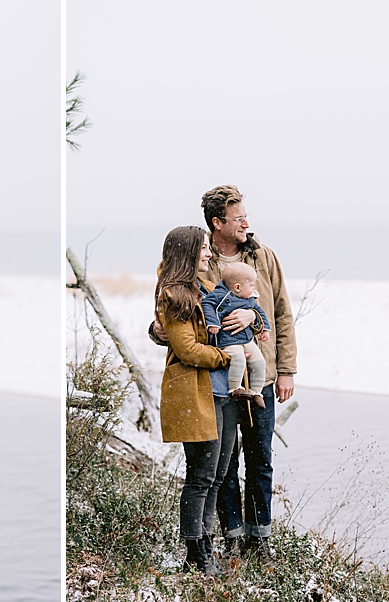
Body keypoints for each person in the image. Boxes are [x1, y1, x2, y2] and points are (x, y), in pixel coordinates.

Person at [198, 185, 297, 561]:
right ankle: (232, 536)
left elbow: (283, 313)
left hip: (262, 377)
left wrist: (286, 369)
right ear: (217, 223)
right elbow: (179, 311)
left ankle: (261, 539)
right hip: (220, 381)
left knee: (260, 460)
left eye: (246, 217)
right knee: (224, 462)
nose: (246, 224)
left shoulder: (264, 256)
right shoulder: (200, 259)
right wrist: (156, 332)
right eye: (238, 219)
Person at [154, 225, 233, 576]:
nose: (208, 252)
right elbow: (186, 349)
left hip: (222, 393)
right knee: (200, 476)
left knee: (216, 475)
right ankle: (196, 552)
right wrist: (226, 357)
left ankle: (207, 545)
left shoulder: (207, 289)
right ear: (186, 252)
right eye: (202, 247)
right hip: (195, 393)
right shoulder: (175, 295)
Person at [202, 262, 271, 408]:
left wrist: (265, 329)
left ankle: (256, 392)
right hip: (228, 340)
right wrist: (212, 323)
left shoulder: (249, 299)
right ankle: (235, 388)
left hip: (246, 339)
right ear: (237, 287)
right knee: (238, 359)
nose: (254, 289)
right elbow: (207, 304)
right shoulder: (219, 295)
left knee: (259, 362)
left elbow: (260, 312)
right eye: (251, 285)